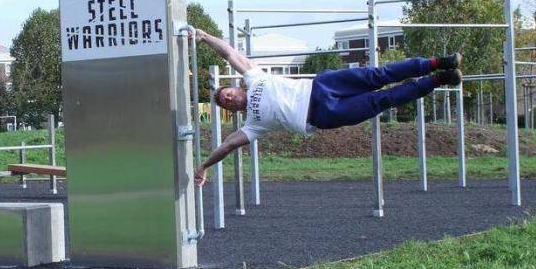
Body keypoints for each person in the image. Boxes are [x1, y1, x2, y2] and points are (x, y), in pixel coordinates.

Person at [191, 29, 461, 186]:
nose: (227, 98)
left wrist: (203, 36)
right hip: (322, 115)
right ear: (235, 110)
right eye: (225, 101)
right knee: (382, 100)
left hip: (322, 86)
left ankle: (437, 63)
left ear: (237, 87)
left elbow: (229, 53)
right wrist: (204, 165)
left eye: (227, 93)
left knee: (378, 75)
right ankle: (437, 80)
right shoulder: (253, 124)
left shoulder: (253, 75)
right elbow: (226, 145)